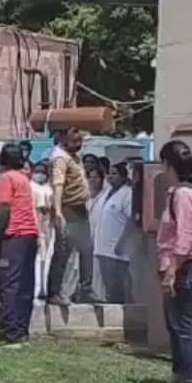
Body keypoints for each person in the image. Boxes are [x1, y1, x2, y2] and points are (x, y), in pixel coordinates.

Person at [156, 140, 192, 383]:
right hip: (175, 266)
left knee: (184, 326)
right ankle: (180, 377)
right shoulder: (179, 192)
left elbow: (184, 239)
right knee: (175, 324)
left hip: (182, 267)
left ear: (169, 164)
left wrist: (171, 272)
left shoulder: (184, 195)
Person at [0, 143, 39, 344]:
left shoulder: (6, 178)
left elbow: (4, 209)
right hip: (29, 235)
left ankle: (11, 332)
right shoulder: (23, 179)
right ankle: (22, 330)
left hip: (13, 236)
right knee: (25, 284)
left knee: (9, 283)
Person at [48, 127, 94, 305]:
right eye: (74, 140)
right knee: (63, 252)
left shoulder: (73, 156)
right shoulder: (60, 158)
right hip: (68, 209)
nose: (78, 143)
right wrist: (58, 211)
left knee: (86, 249)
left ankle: (85, 289)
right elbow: (58, 185)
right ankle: (54, 292)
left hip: (80, 209)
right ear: (63, 137)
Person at [94, 162, 134, 304]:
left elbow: (131, 220)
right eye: (109, 173)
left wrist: (122, 242)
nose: (111, 176)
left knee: (117, 286)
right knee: (107, 285)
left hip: (117, 249)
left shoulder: (127, 194)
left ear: (123, 177)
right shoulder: (105, 193)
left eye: (115, 173)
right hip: (102, 247)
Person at [31, 162, 55, 300]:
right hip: (37, 227)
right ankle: (37, 289)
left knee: (46, 259)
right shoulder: (31, 187)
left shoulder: (48, 188)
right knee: (37, 259)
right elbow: (40, 211)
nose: (40, 173)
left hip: (48, 228)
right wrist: (39, 231)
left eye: (43, 171)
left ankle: (44, 289)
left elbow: (47, 211)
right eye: (37, 170)